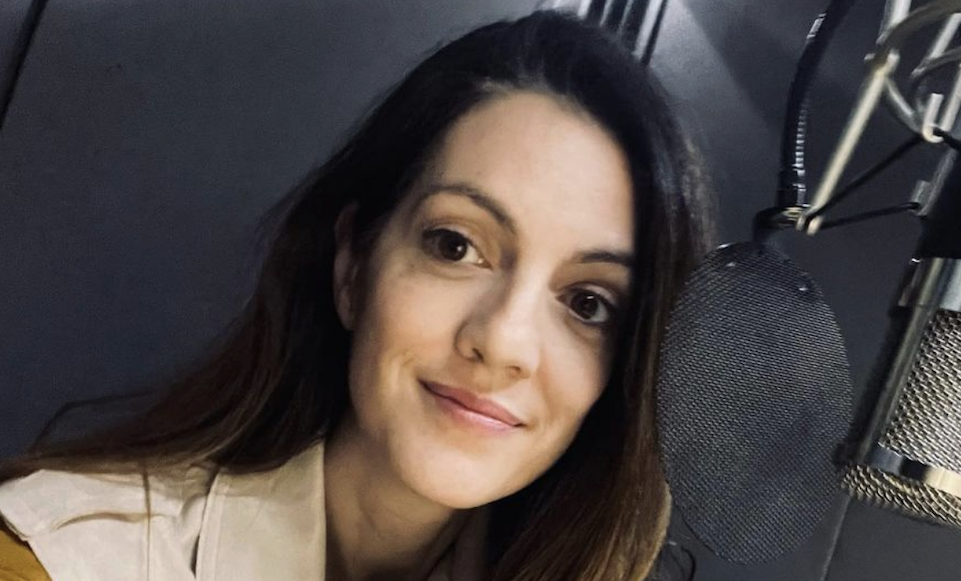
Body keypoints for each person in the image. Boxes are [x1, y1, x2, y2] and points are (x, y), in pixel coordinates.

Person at [0, 10, 712, 581]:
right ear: (352, 266)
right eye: (454, 245)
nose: (503, 341)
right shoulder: (57, 560)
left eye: (587, 303)